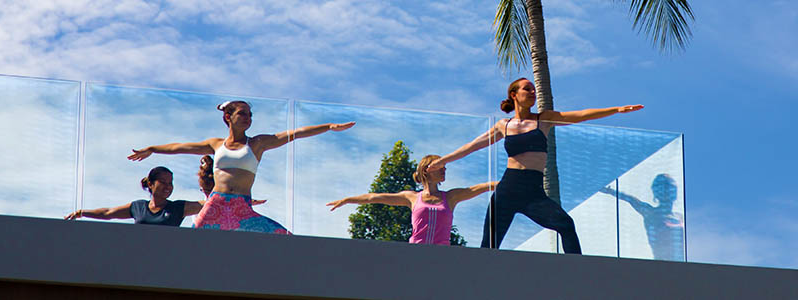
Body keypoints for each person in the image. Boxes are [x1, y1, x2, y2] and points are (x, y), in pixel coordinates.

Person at [428, 77, 643, 253]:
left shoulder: (544, 119)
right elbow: (472, 145)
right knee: (489, 246)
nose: (532, 92)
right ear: (514, 95)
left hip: (533, 192)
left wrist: (617, 109)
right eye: (527, 89)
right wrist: (442, 161)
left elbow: (580, 116)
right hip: (507, 189)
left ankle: (577, 274)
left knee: (566, 225)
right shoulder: (505, 125)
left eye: (533, 89)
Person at [128, 100, 354, 234]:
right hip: (215, 205)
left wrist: (328, 126)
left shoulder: (257, 143)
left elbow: (294, 134)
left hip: (242, 209)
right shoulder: (215, 144)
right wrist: (152, 148)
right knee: (190, 245)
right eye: (242, 114)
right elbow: (180, 147)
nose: (248, 118)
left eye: (250, 115)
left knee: (283, 237)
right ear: (228, 117)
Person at [326, 154, 497, 245]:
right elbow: (374, 197)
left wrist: (507, 183)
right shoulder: (412, 197)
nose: (444, 170)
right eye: (440, 167)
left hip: (443, 257)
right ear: (426, 170)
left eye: (445, 168)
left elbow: (481, 187)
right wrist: (348, 199)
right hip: (415, 253)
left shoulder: (451, 197)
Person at [64, 166, 203, 226]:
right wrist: (81, 213)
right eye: (163, 182)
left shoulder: (178, 207)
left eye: (170, 183)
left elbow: (209, 204)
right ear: (150, 184)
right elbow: (108, 213)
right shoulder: (138, 207)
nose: (168, 187)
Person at [600, 174, 684, 260]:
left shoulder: (680, 216)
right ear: (656, 193)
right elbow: (631, 199)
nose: (667, 191)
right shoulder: (651, 212)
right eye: (664, 188)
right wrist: (610, 191)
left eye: (670, 187)